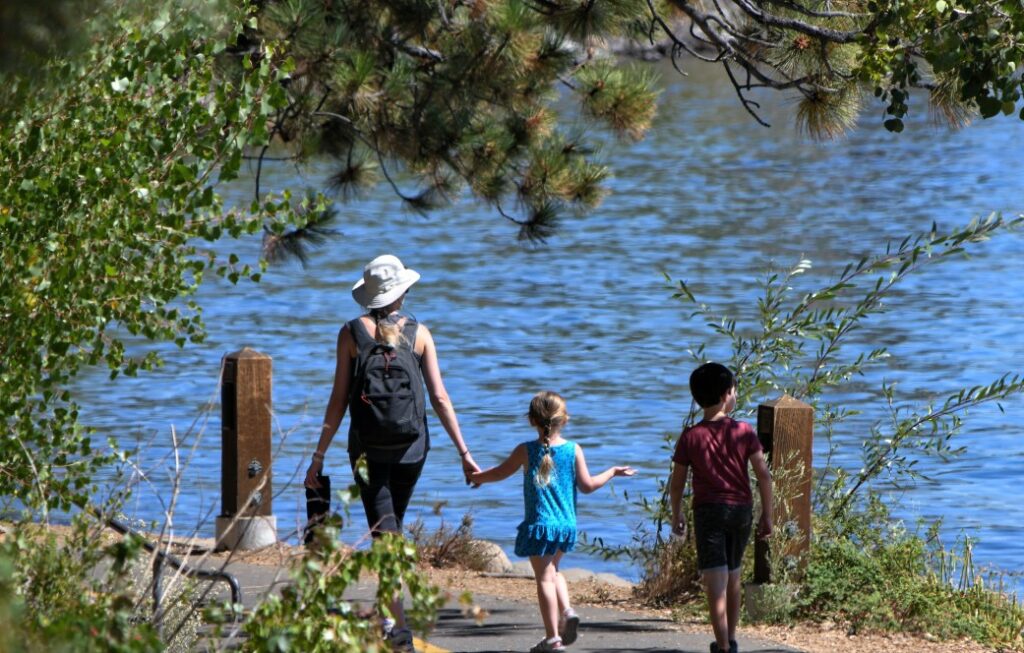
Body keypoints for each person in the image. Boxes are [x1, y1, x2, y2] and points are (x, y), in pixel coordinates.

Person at [304, 254, 480, 653]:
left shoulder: (350, 333)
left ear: (369, 296)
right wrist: (465, 452)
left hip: (366, 451)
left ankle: (395, 624)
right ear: (402, 292)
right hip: (412, 449)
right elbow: (439, 397)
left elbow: (337, 398)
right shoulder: (420, 334)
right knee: (390, 530)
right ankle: (392, 620)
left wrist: (318, 455)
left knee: (387, 533)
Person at [469, 391, 636, 652]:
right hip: (566, 525)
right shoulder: (573, 449)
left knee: (544, 579)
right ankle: (567, 611)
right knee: (554, 571)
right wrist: (612, 471)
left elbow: (500, 472)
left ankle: (553, 639)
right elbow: (588, 486)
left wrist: (477, 477)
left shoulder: (526, 450)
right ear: (564, 420)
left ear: (531, 420)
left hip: (540, 525)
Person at [669, 362, 773, 653]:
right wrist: (768, 514)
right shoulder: (744, 431)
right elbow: (763, 475)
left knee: (715, 580)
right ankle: (732, 640)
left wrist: (676, 513)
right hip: (741, 510)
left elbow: (677, 484)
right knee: (734, 576)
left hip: (708, 512)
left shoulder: (690, 436)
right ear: (728, 394)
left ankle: (723, 646)